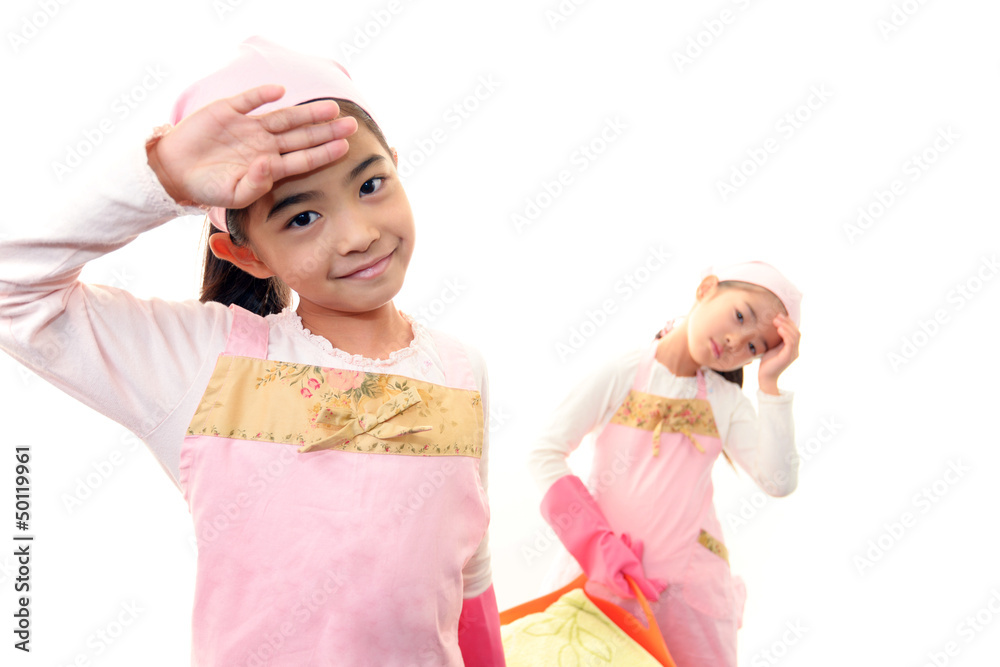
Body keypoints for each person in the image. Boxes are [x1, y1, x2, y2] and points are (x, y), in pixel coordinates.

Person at [0, 37, 504, 666]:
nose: (358, 234)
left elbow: (471, 572)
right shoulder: (206, 365)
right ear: (246, 253)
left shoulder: (461, 369)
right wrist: (161, 177)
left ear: (397, 167)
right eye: (301, 218)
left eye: (371, 184)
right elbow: (13, 292)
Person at [527, 261, 802, 667]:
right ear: (706, 289)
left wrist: (770, 385)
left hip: (691, 601)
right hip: (604, 581)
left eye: (754, 347)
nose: (735, 340)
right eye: (740, 316)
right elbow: (544, 452)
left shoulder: (726, 403)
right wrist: (594, 543)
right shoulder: (624, 371)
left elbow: (778, 481)